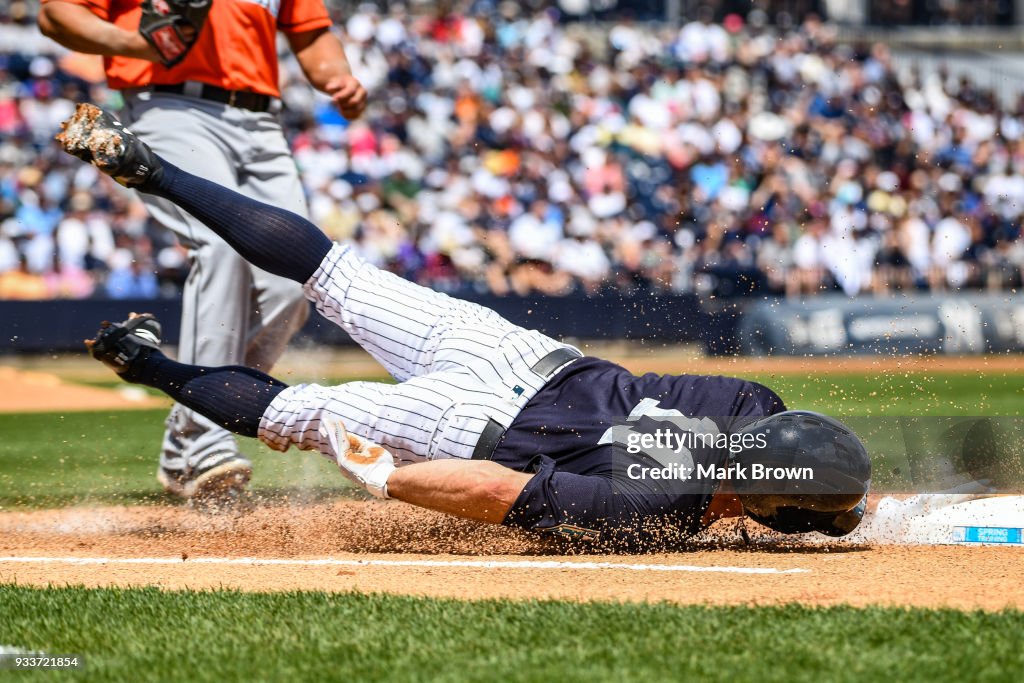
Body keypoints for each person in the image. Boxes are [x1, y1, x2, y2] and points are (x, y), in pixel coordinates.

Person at [60, 103, 870, 548]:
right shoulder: (655, 511)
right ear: (766, 509)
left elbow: (778, 458)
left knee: (334, 274)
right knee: (294, 412)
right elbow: (492, 490)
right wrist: (390, 478)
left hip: (521, 353)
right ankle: (144, 361)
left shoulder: (751, 403)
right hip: (470, 428)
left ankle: (156, 170)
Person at [38, 0, 368, 499]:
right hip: (170, 104)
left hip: (261, 121)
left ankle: (189, 423)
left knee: (298, 274)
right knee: (221, 244)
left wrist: (340, 78)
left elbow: (309, 31)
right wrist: (133, 44)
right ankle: (206, 434)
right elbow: (57, 15)